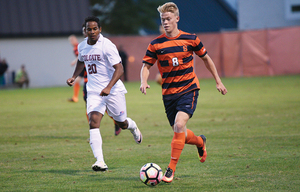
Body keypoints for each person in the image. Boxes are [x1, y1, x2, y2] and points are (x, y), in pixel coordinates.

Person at [140, 2, 227, 183]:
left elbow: (206, 59)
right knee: (179, 131)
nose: (165, 22)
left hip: (189, 89)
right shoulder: (155, 44)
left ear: (177, 19)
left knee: (179, 126)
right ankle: (200, 142)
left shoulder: (191, 39)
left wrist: (218, 81)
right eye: (163, 19)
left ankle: (170, 170)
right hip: (168, 94)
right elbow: (146, 66)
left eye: (168, 19)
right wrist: (144, 81)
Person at [67, 16, 142, 172]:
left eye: (95, 29)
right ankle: (100, 161)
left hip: (113, 90)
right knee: (93, 122)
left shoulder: (107, 45)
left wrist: (108, 87)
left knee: (121, 122)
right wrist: (74, 77)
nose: (92, 31)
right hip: (94, 91)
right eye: (89, 29)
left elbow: (119, 69)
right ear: (85, 31)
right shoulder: (82, 46)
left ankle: (133, 128)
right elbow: (81, 61)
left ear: (100, 29)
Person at [68, 34, 82, 103]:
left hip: (84, 66)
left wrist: (74, 61)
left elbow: (80, 56)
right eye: (70, 41)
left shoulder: (77, 47)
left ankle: (75, 97)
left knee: (80, 81)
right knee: (77, 81)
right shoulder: (77, 46)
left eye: (72, 40)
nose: (71, 42)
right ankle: (75, 97)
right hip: (84, 66)